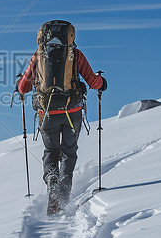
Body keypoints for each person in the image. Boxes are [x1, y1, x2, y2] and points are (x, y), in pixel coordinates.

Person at [16, 20, 107, 211]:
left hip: (47, 112)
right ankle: (63, 197)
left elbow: (23, 87)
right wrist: (102, 83)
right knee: (69, 152)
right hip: (72, 111)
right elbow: (92, 81)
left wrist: (20, 86)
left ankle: (52, 181)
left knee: (51, 152)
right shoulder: (75, 55)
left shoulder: (38, 56)